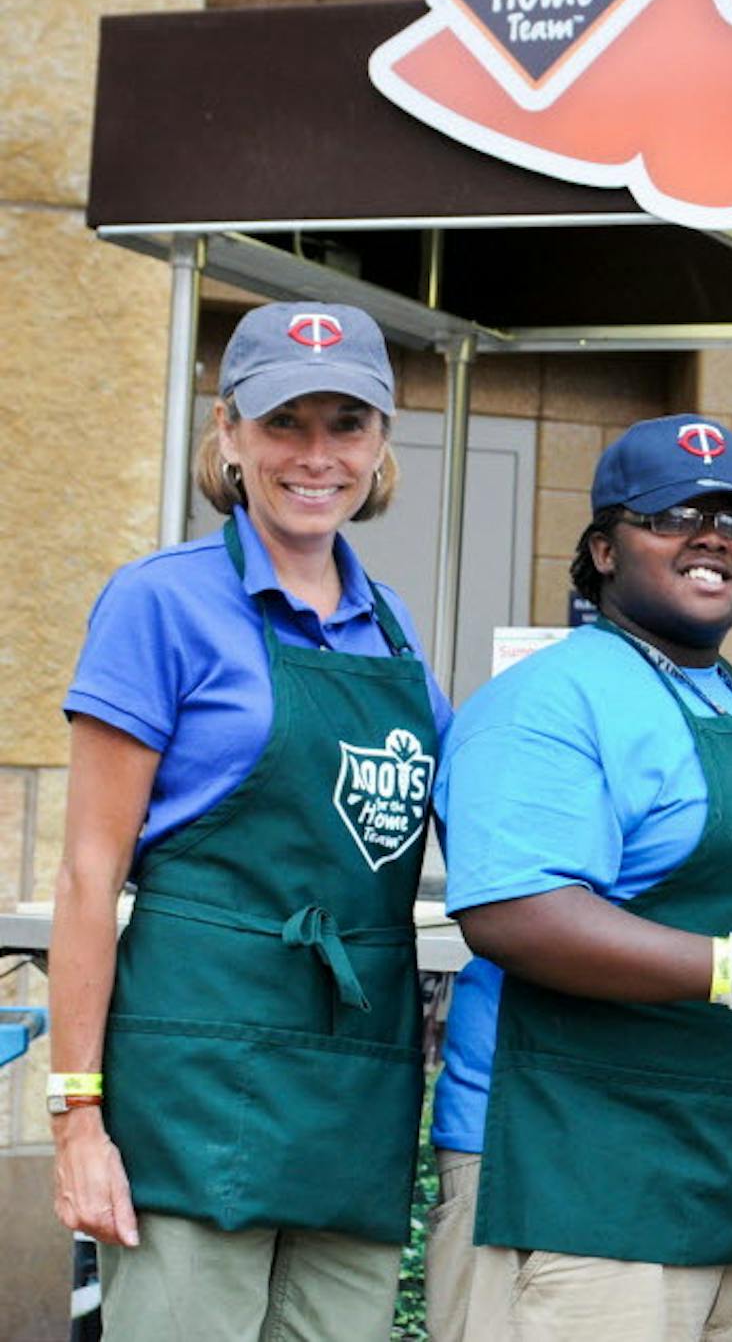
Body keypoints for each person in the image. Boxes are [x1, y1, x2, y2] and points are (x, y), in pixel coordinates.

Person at [49, 301, 452, 1337]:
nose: (316, 455)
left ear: (380, 443)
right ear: (228, 433)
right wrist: (77, 1115)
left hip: (355, 1080)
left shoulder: (394, 626)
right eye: (285, 422)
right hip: (195, 1073)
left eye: (346, 423)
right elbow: (89, 876)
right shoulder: (160, 602)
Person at [425, 414, 732, 1342]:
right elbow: (516, 913)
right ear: (603, 549)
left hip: (731, 1182)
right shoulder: (548, 701)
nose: (712, 538)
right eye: (673, 514)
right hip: (576, 1177)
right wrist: (730, 969)